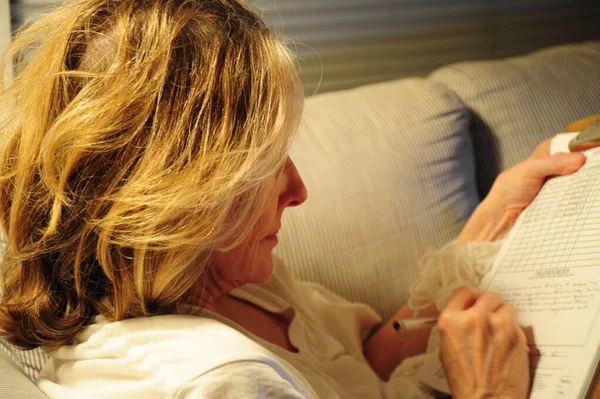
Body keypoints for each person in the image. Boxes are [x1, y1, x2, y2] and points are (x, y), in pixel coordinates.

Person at [0, 0, 590, 397]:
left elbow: (363, 358)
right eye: (267, 165)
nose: (299, 191)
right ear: (183, 197)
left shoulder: (224, 273)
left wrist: (481, 232)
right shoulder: (218, 380)